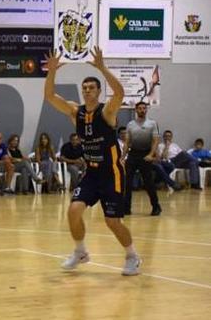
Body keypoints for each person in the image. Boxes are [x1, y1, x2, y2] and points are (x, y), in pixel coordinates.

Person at [44, 46, 141, 276]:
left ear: (98, 91)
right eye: (84, 88)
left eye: (91, 88)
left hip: (112, 174)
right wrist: (52, 71)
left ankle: (133, 256)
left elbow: (119, 93)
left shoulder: (106, 112)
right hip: (92, 173)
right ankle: (80, 252)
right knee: (73, 211)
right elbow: (49, 96)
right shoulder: (75, 111)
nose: (87, 91)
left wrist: (102, 68)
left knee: (112, 222)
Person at [124, 102, 161, 215]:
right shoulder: (130, 124)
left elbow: (155, 141)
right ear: (136, 110)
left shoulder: (152, 123)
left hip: (145, 154)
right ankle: (126, 208)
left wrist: (151, 154)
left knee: (148, 183)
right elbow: (127, 142)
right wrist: (122, 157)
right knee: (128, 183)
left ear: (146, 110)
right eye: (139, 108)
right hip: (133, 154)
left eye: (144, 108)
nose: (142, 110)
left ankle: (156, 207)